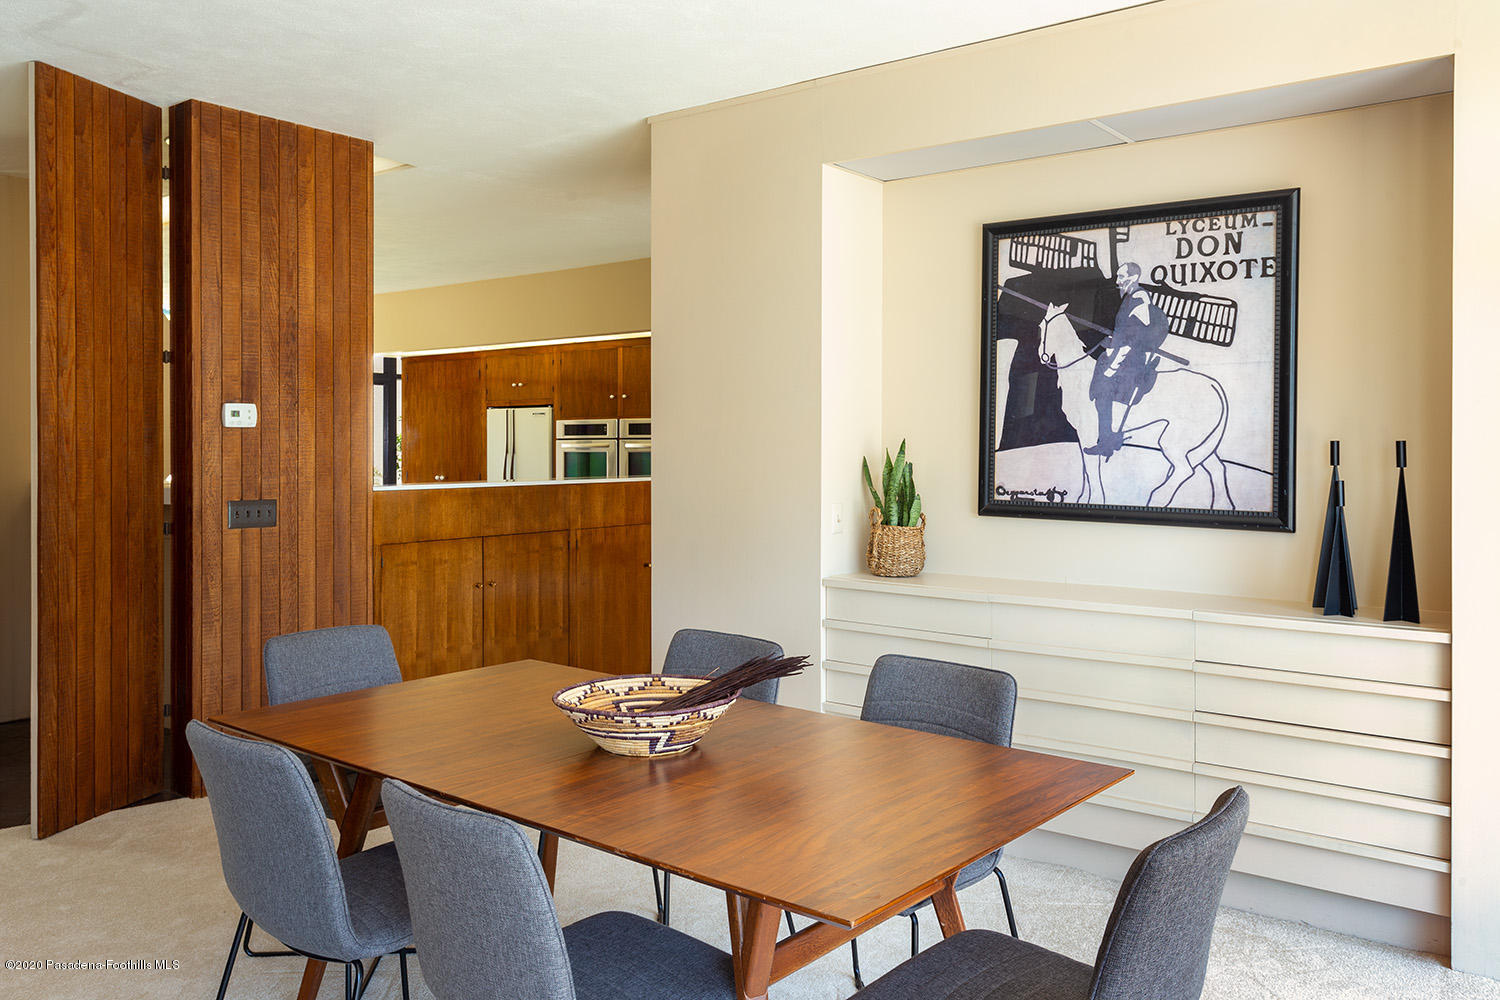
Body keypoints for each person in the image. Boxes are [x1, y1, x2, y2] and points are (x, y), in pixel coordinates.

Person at [1084, 262, 1172, 457]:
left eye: (1121, 277)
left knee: (1103, 389)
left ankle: (1106, 443)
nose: (1117, 281)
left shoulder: (1139, 298)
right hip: (1127, 352)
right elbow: (1126, 331)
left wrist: (1114, 361)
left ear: (1133, 278)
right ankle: (1107, 438)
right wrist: (1113, 340)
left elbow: (1136, 334)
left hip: (1132, 359)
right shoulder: (1130, 298)